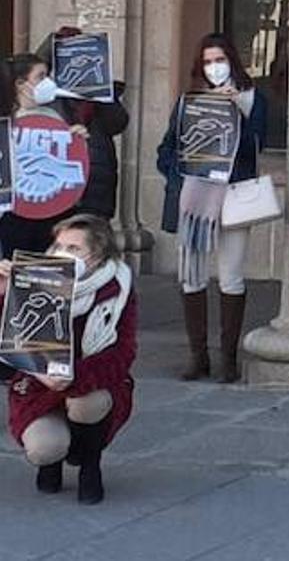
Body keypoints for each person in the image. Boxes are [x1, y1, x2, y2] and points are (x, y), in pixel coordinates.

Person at [156, 33, 268, 384]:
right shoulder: (188, 102)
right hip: (195, 201)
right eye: (207, 61)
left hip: (233, 195)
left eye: (219, 59)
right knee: (192, 275)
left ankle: (228, 358)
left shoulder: (251, 98)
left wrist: (239, 108)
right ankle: (197, 355)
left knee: (232, 275)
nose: (214, 67)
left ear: (232, 60)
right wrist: (180, 176)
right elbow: (167, 149)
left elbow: (258, 141)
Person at [3, 213, 137, 505]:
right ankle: (52, 462)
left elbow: (124, 351)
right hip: (39, 385)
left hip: (92, 382)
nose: (61, 253)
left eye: (73, 248)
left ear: (97, 256)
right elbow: (13, 344)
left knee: (86, 402)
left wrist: (73, 376)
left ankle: (90, 463)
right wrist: (4, 294)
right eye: (58, 245)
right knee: (43, 447)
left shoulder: (117, 288)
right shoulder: (35, 279)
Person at [0, 53, 91, 256]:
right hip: (14, 216)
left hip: (55, 211)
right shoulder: (5, 119)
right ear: (21, 84)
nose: (48, 82)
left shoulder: (56, 116)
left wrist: (78, 141)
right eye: (40, 76)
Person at [38, 27, 131, 221]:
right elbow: (30, 74)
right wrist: (53, 44)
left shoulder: (98, 92)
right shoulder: (47, 93)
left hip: (96, 184)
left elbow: (118, 123)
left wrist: (103, 90)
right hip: (57, 186)